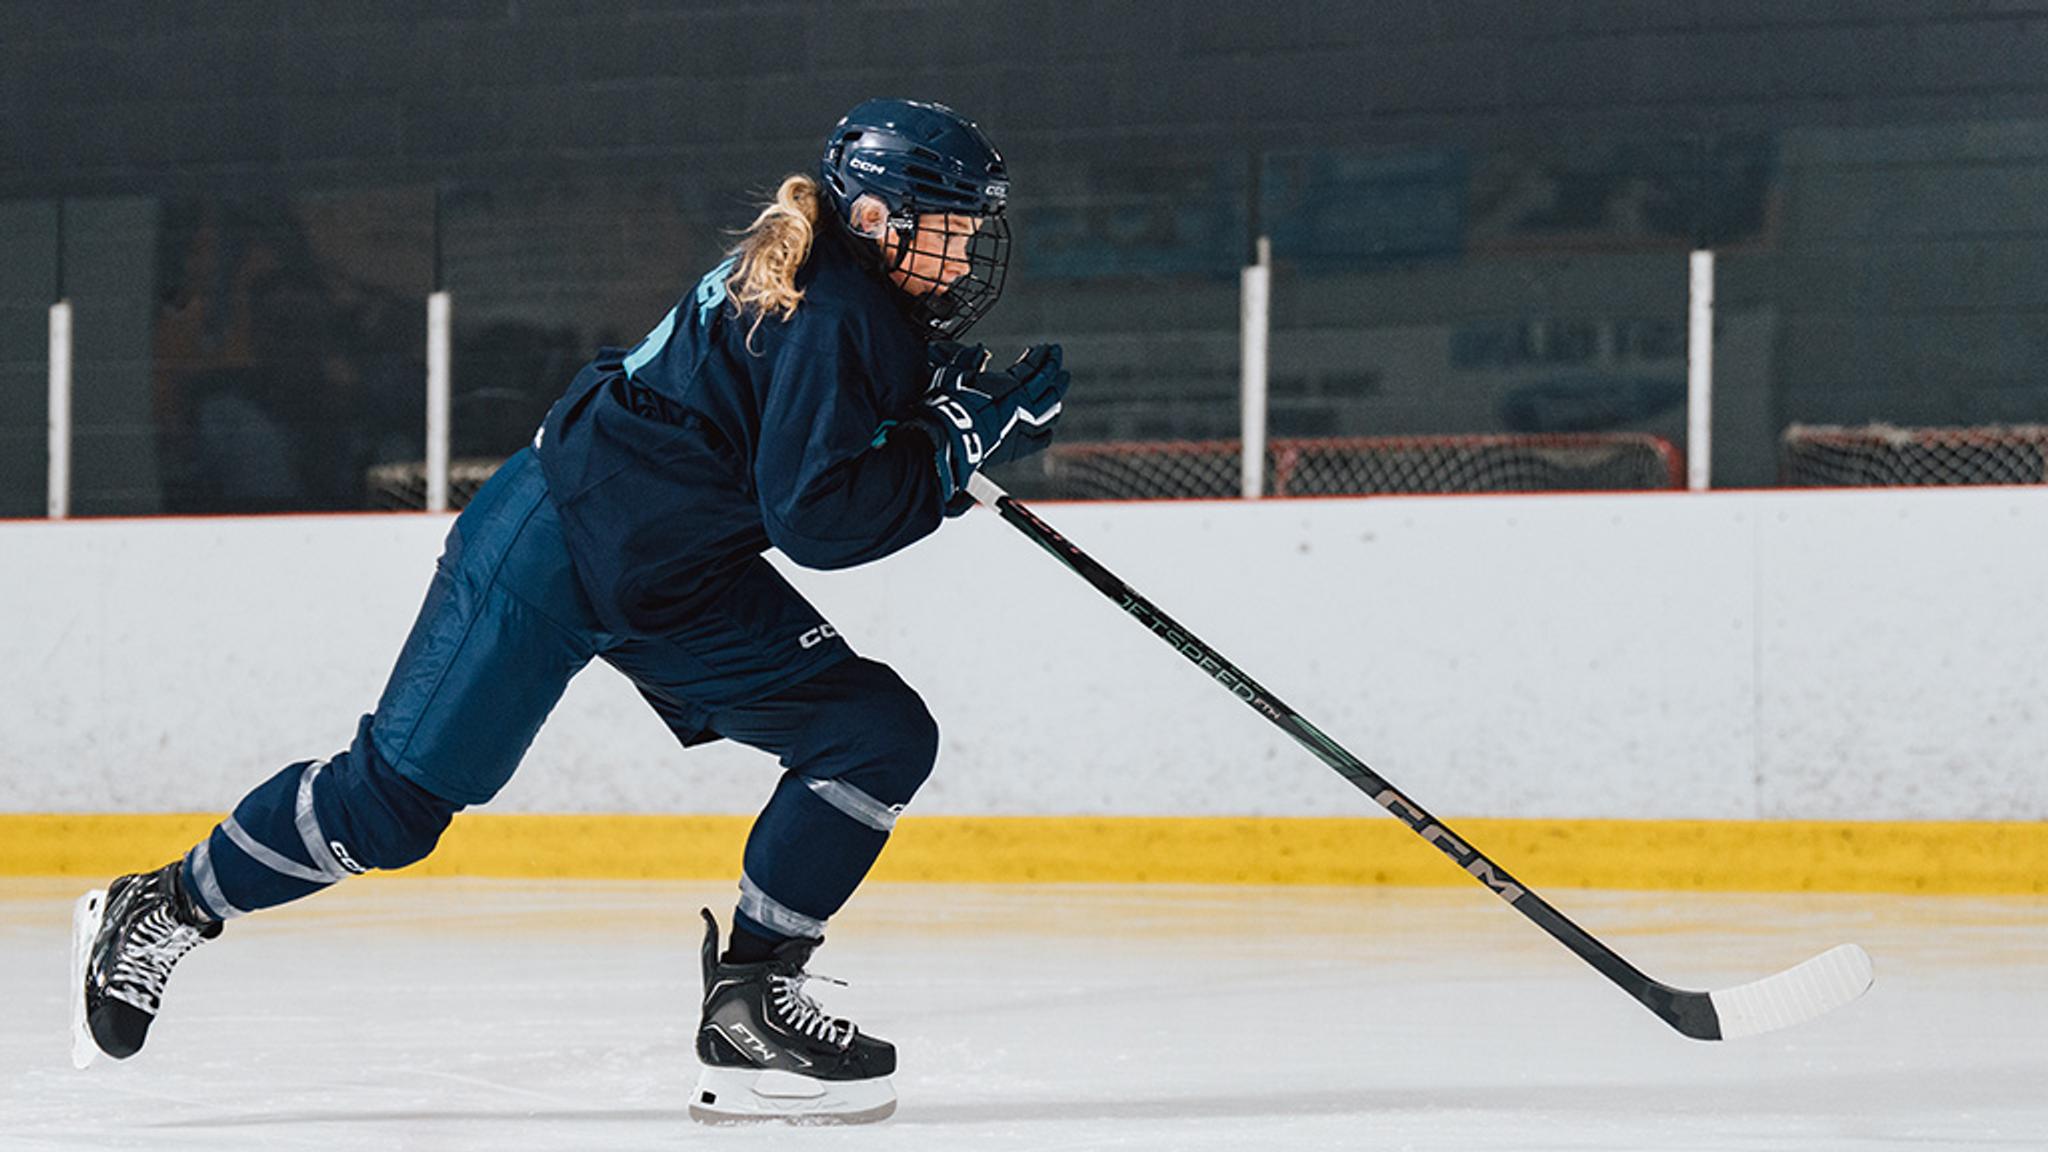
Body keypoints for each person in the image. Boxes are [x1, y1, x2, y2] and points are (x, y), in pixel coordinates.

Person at [71, 98, 1068, 1126]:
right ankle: (167, 905)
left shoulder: (854, 300)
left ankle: (749, 997)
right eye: (948, 223)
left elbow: (814, 434)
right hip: (556, 544)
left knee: (871, 733)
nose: (963, 250)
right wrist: (956, 444)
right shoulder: (833, 309)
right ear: (872, 217)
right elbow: (817, 518)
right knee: (394, 807)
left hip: (678, 575)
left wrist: (940, 419)